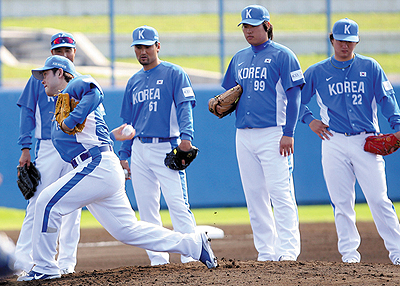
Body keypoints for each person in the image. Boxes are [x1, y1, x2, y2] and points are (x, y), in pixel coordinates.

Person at [18, 55, 217, 281]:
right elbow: (92, 136)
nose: (41, 79)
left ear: (60, 73)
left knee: (46, 202)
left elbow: (95, 89)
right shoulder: (66, 103)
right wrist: (112, 134)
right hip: (99, 167)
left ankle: (44, 267)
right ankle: (193, 244)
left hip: (96, 166)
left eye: (45, 74)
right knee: (127, 230)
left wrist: (72, 119)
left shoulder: (75, 86)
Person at [300, 18, 400, 264]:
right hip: (333, 140)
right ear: (331, 39)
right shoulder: (317, 71)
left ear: (357, 42)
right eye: (341, 40)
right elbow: (295, 101)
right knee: (341, 201)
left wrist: (398, 126)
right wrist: (308, 119)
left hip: (366, 140)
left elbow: (387, 99)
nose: (345, 46)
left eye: (350, 41)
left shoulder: (370, 67)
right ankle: (349, 255)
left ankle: (397, 250)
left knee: (379, 199)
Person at [220, 5, 304, 262]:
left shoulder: (283, 55)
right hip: (243, 134)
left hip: (274, 133)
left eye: (253, 26)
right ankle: (266, 251)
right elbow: (228, 92)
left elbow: (295, 95)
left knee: (280, 192)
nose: (248, 30)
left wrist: (289, 132)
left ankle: (288, 250)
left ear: (266, 25)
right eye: (244, 26)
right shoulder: (239, 57)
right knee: (255, 195)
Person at [119, 25, 198, 266]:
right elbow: (127, 122)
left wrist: (187, 137)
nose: (143, 51)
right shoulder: (134, 81)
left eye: (147, 46)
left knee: (177, 204)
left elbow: (185, 106)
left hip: (167, 146)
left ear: (158, 46)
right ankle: (158, 260)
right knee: (146, 207)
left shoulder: (174, 73)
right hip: (140, 148)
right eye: (138, 47)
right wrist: (124, 154)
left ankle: (192, 255)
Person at [15, 32, 81, 278]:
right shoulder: (41, 78)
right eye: (58, 51)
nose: (63, 54)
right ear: (51, 54)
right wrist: (25, 149)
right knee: (37, 203)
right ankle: (23, 260)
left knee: (73, 205)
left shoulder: (80, 80)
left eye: (67, 50)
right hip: (48, 147)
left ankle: (66, 262)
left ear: (75, 52)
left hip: (75, 147)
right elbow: (27, 111)